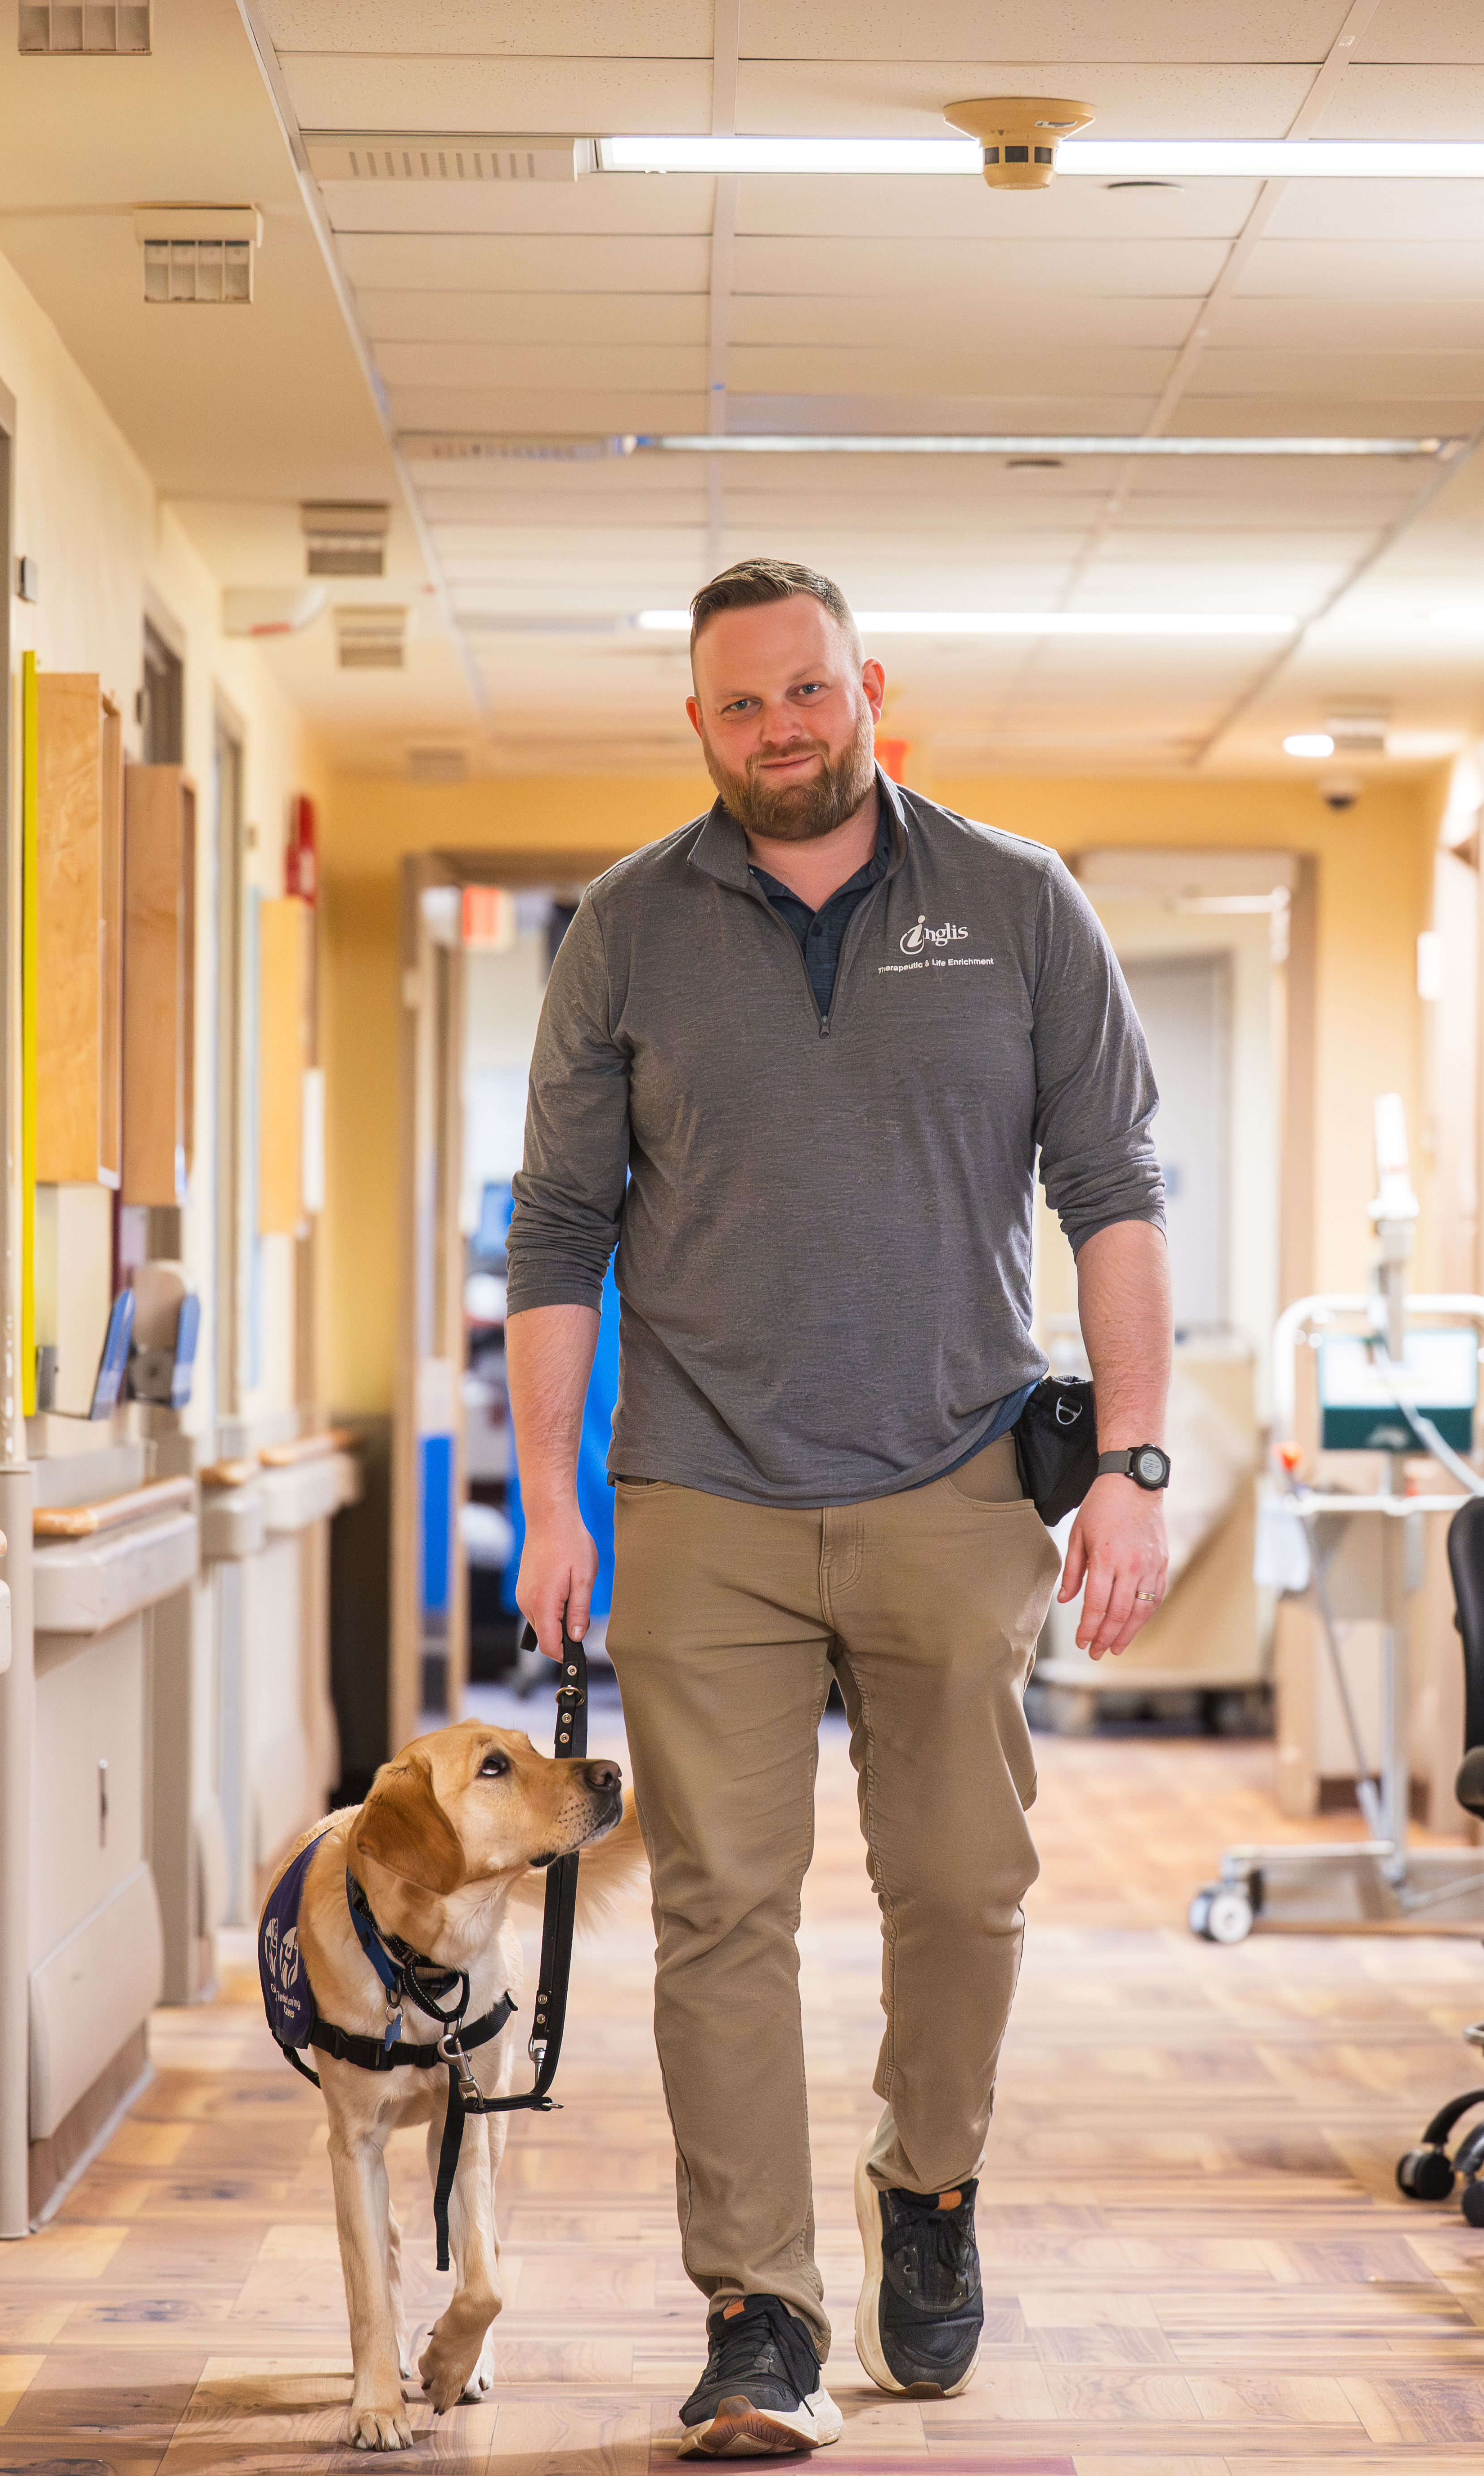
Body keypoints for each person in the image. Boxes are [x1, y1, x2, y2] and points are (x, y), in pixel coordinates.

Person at [506, 557, 1174, 2457]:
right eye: (742, 705)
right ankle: (759, 2308)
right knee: (723, 1906)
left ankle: (932, 2185)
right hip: (700, 1492)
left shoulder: (1021, 903)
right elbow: (558, 1228)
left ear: (865, 684)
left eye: (809, 691)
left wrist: (1130, 1459)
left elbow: (1113, 1193)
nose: (782, 729)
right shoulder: (628, 929)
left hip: (959, 1477)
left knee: (962, 1884)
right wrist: (554, 1495)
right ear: (697, 725)